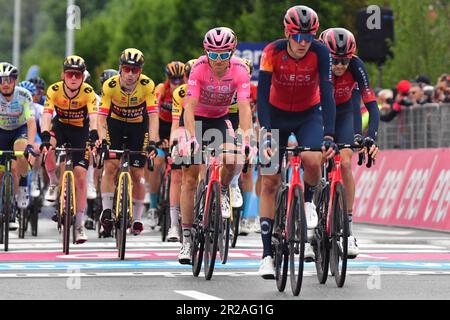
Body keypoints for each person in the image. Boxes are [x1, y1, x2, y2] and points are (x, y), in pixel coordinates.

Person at [256, 5, 338, 279]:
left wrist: (329, 134)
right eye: (297, 37)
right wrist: (266, 131)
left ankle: (308, 202)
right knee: (269, 179)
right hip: (275, 115)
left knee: (313, 158)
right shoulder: (271, 53)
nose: (303, 43)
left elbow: (327, 93)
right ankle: (267, 255)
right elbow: (263, 96)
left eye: (309, 37)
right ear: (287, 33)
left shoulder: (321, 52)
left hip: (308, 114)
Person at [177, 27, 254, 264]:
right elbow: (189, 106)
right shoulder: (198, 68)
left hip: (220, 120)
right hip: (195, 120)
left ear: (232, 52)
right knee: (190, 178)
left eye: (224, 55)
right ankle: (187, 239)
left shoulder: (240, 70)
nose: (218, 61)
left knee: (232, 158)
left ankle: (223, 188)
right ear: (206, 51)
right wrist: (190, 139)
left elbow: (243, 108)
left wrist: (246, 139)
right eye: (214, 54)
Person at [319, 27, 380, 258]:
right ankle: (306, 210)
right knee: (312, 157)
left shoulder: (356, 65)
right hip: (318, 110)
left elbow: (372, 107)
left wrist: (370, 137)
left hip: (343, 110)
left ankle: (348, 230)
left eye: (345, 61)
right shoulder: (316, 64)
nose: (340, 66)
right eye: (335, 61)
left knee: (345, 163)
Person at [98, 48, 159, 236]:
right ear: (120, 69)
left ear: (140, 71)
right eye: (127, 69)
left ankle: (138, 218)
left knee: (137, 172)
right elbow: (101, 118)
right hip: (114, 125)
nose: (131, 74)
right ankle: (107, 210)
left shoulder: (148, 85)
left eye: (135, 70)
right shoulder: (110, 85)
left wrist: (153, 142)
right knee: (110, 166)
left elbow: (153, 116)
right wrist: (102, 141)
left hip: (137, 127)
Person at [40, 55, 99, 243]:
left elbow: (94, 115)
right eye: (70, 74)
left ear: (82, 76)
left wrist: (95, 133)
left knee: (81, 176)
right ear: (63, 75)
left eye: (78, 75)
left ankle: (80, 225)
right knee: (48, 149)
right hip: (61, 127)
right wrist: (45, 135)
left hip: (80, 130)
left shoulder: (88, 91)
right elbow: (47, 114)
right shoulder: (54, 90)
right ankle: (53, 182)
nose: (74, 78)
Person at [145, 61, 186, 229]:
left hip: (178, 128)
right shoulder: (161, 89)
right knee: (157, 163)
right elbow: (152, 111)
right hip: (162, 129)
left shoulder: (186, 91)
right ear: (167, 78)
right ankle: (153, 207)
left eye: (179, 79)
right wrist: (156, 140)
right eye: (173, 79)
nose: (176, 83)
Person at [0, 63, 37, 230]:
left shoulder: (24, 95)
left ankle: (22, 187)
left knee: (20, 154)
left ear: (15, 81)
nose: (5, 83)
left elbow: (30, 122)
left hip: (19, 130)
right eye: (1, 81)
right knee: (1, 172)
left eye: (8, 80)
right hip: (1, 131)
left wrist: (30, 144)